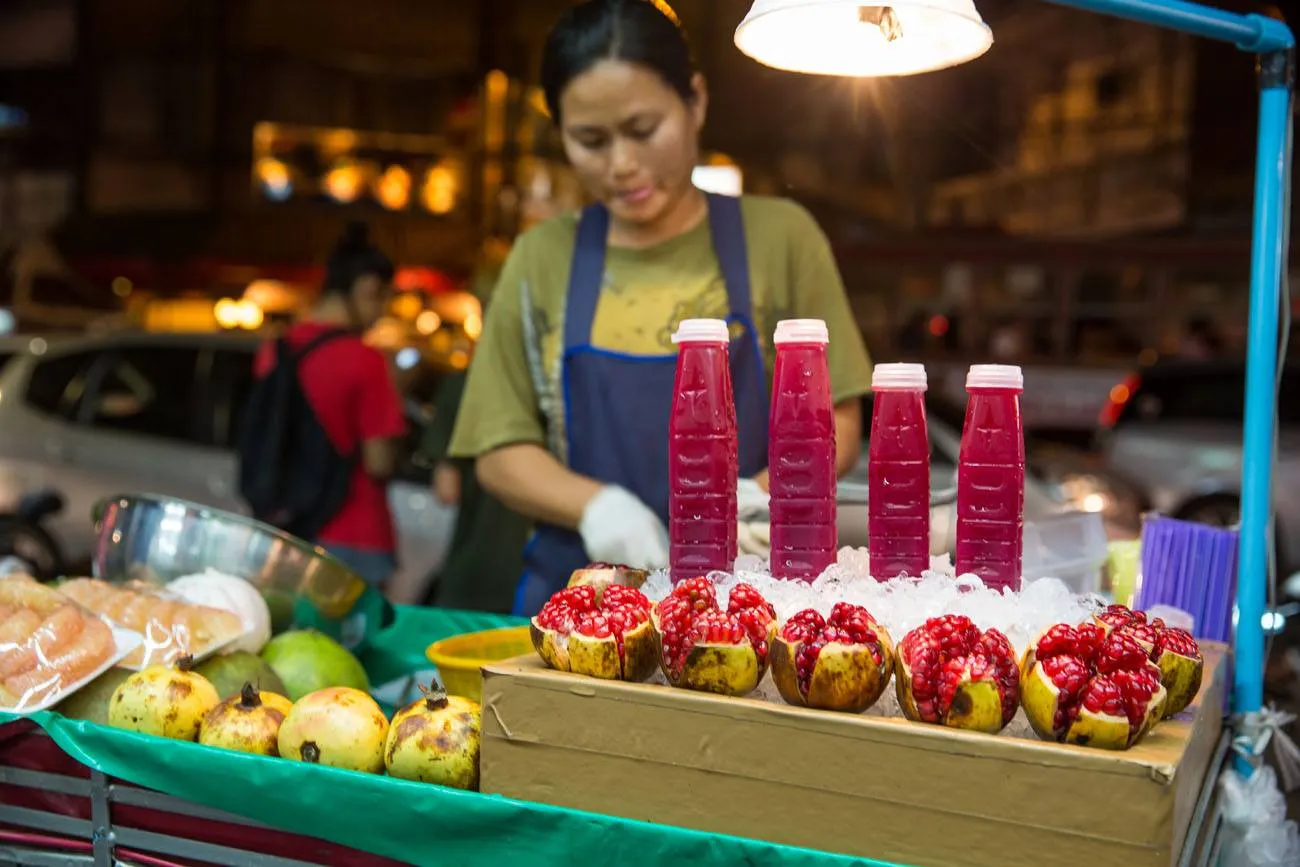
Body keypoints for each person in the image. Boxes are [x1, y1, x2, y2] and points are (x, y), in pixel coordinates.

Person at [447, 0, 874, 616]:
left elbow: (838, 416)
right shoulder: (543, 257)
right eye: (590, 140)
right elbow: (497, 449)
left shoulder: (781, 238)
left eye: (643, 130)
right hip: (584, 608)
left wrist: (755, 500)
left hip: (750, 603)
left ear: (694, 101)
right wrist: (596, 507)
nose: (621, 165)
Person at [251, 224, 407, 590]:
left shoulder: (275, 350)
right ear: (366, 288)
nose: (382, 312)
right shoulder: (365, 360)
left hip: (288, 530)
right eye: (382, 299)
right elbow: (379, 461)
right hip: (356, 536)